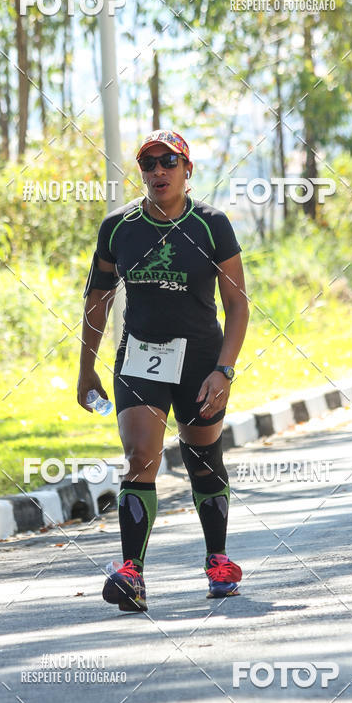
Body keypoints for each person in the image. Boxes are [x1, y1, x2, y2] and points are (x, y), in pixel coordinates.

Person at [77, 130, 249, 612]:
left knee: (203, 457)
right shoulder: (119, 227)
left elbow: (237, 305)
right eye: (148, 163)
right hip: (140, 356)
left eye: (168, 162)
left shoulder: (212, 225)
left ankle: (218, 559)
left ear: (187, 170)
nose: (158, 171)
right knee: (140, 455)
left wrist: (224, 370)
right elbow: (98, 299)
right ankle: (131, 572)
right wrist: (85, 367)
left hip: (200, 360)